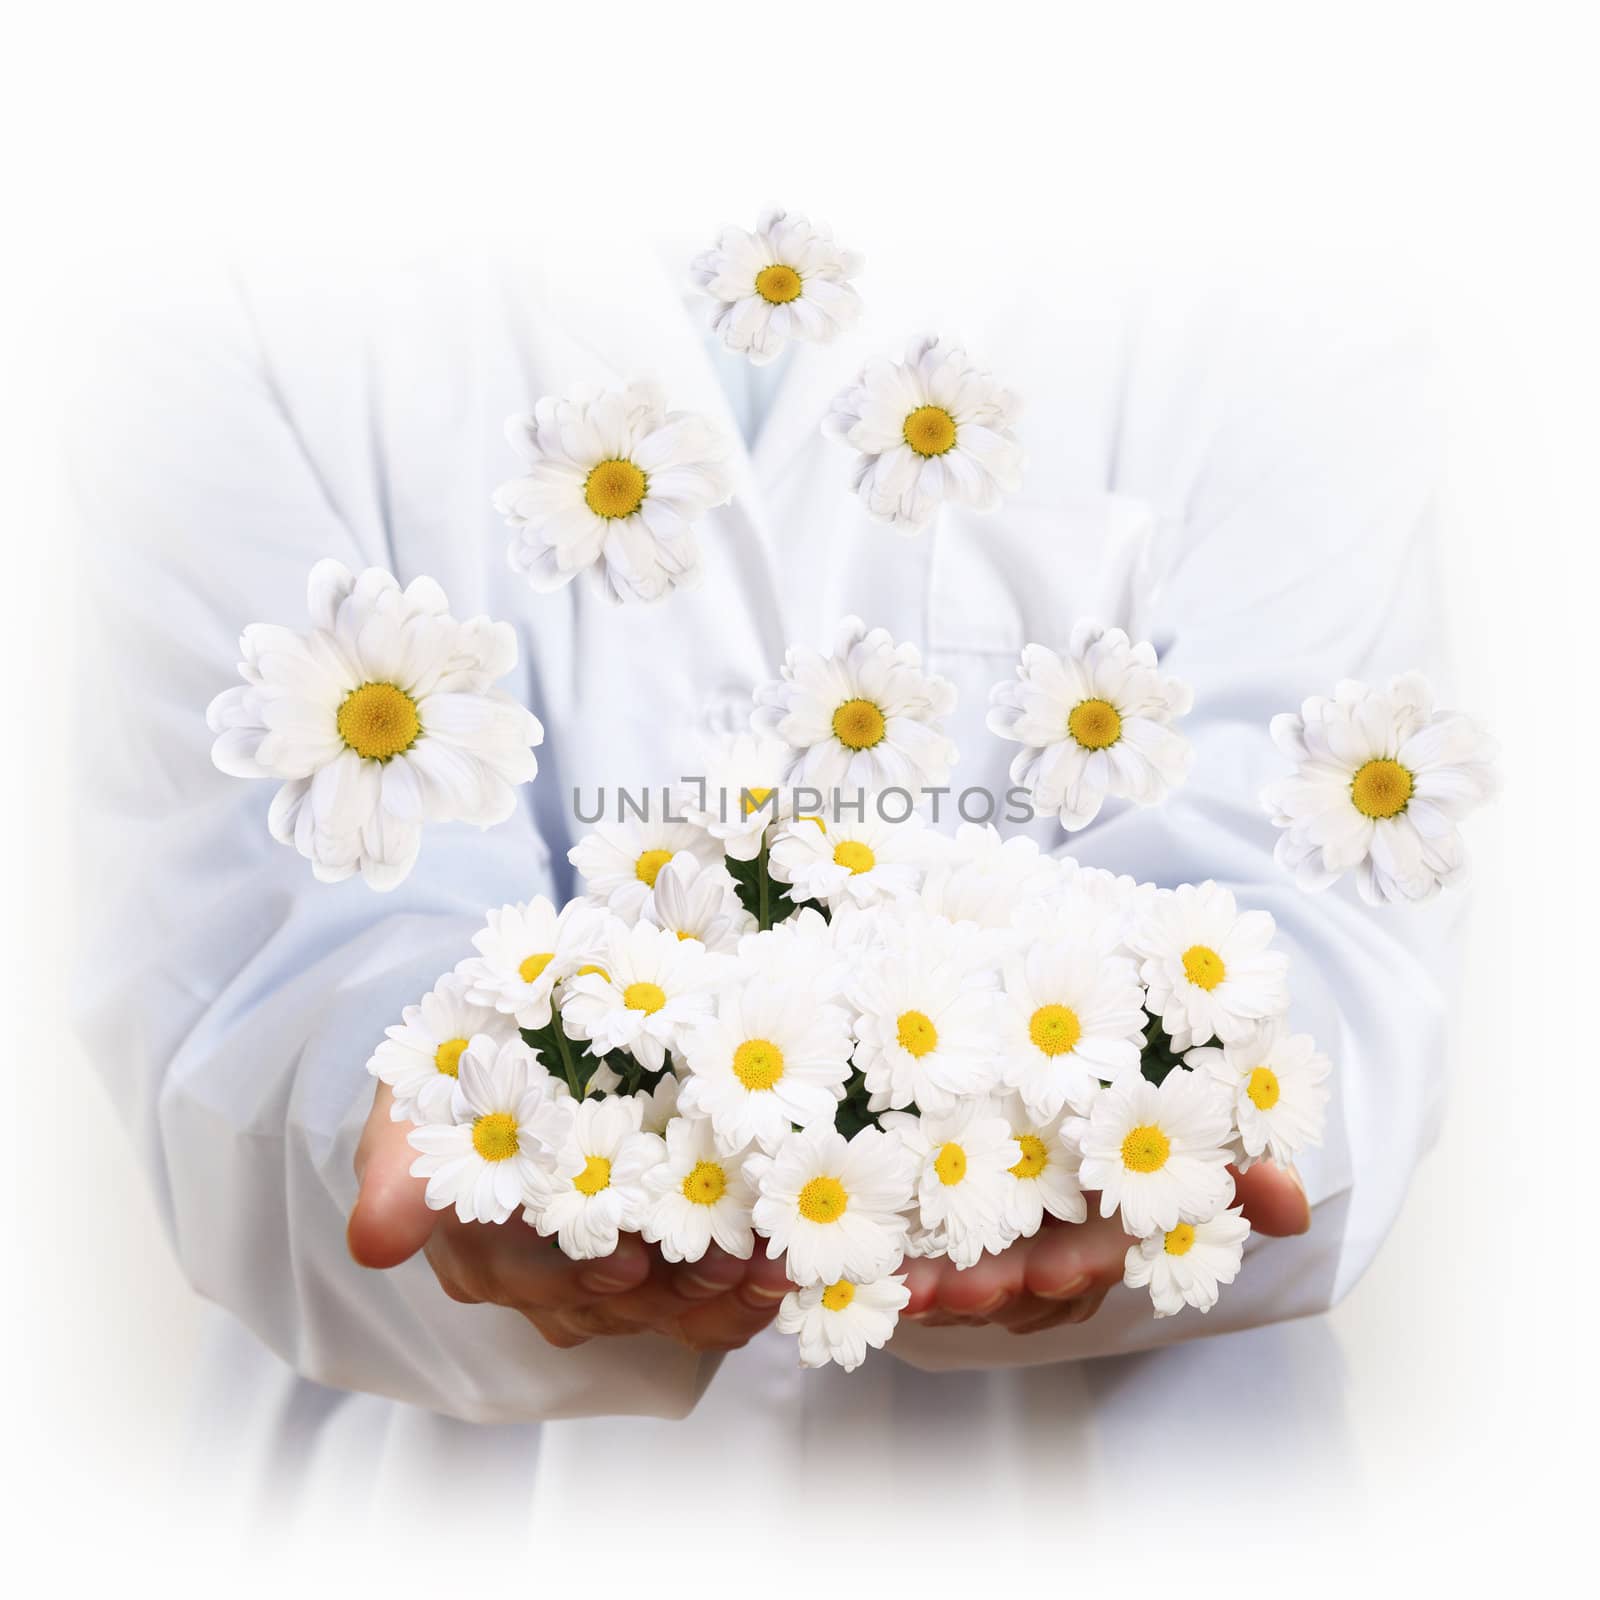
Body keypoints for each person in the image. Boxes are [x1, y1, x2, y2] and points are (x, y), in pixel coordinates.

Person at [71, 234, 1456, 1530]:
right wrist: (409, 1122)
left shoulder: (1278, 269)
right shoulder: (228, 266)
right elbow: (240, 954)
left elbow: (1318, 926)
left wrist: (1186, 1133)